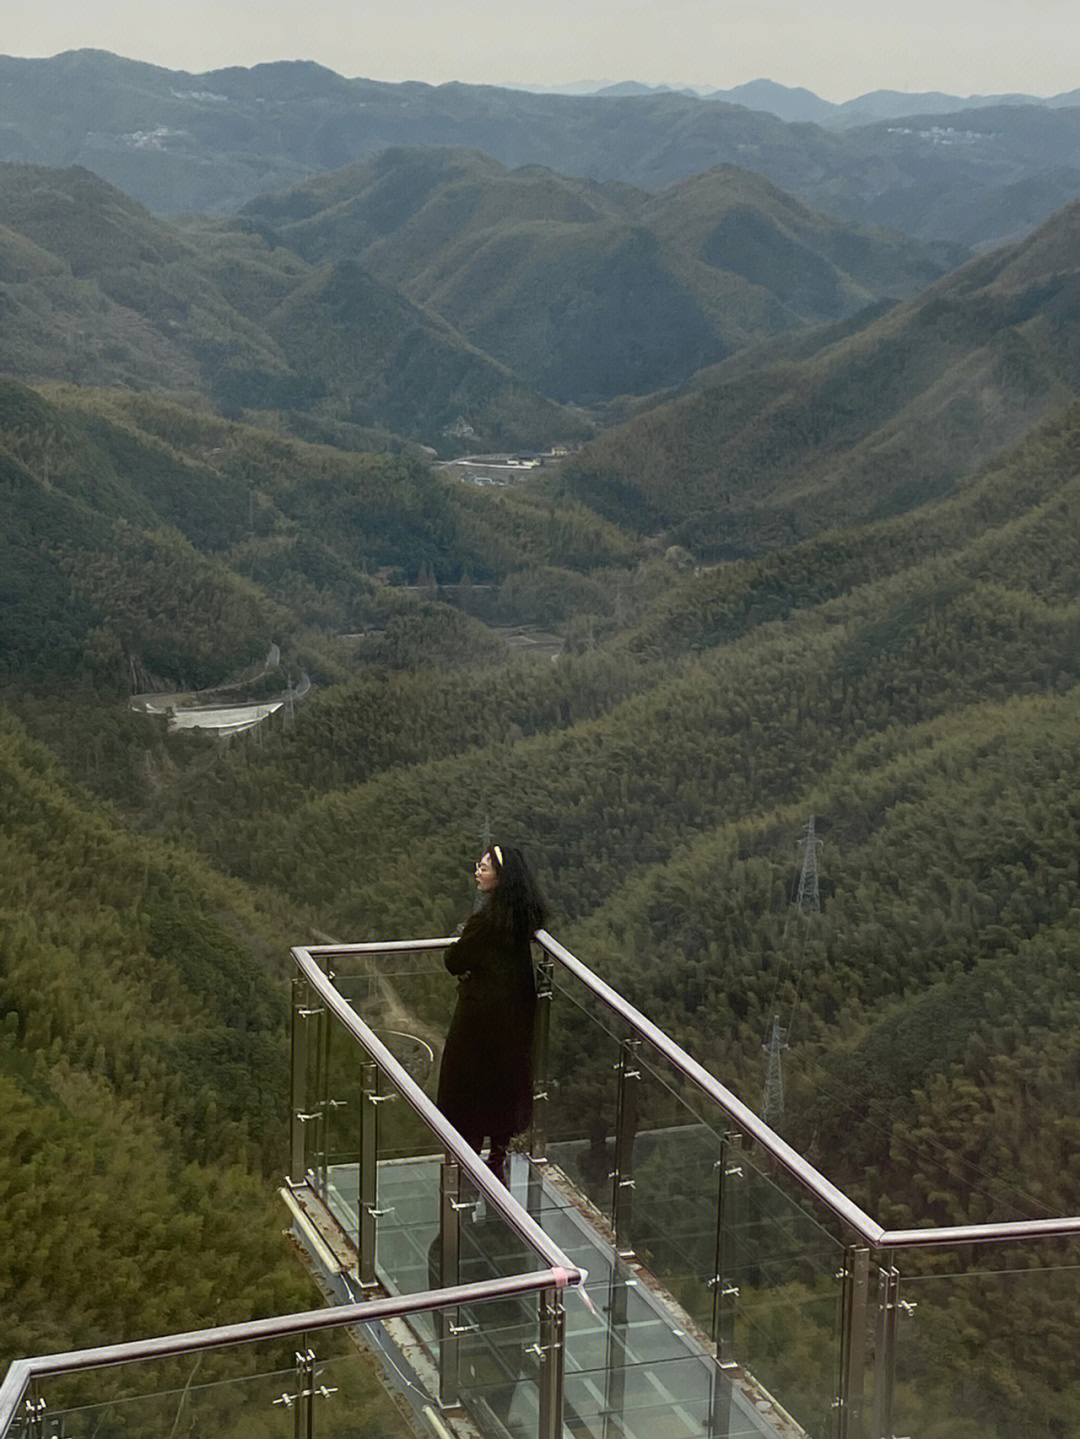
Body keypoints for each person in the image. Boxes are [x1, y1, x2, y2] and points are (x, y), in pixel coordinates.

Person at [436, 843, 548, 1184]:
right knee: (504, 1082)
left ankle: (467, 1158)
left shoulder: (485, 922)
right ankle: (498, 1154)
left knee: (468, 1087)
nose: (478, 871)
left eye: (484, 867)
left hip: (479, 1019)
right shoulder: (524, 919)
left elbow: (454, 961)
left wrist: (464, 957)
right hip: (515, 1015)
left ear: (500, 878)